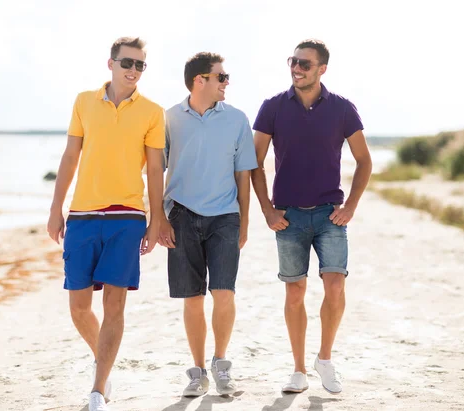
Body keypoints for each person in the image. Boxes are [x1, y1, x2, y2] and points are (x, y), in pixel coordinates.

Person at [46, 36, 166, 411]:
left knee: (115, 305)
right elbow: (69, 156)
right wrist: (55, 208)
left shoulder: (152, 111)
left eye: (140, 65)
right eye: (127, 63)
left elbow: (156, 170)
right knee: (79, 307)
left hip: (127, 218)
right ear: (110, 64)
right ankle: (106, 362)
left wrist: (156, 218)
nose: (133, 71)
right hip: (82, 216)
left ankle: (98, 389)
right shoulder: (84, 101)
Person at [251, 39, 372, 394]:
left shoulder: (342, 109)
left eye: (305, 63)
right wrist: (267, 210)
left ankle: (325, 359)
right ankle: (299, 369)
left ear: (322, 69)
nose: (297, 68)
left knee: (335, 287)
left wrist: (350, 206)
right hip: (287, 217)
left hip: (328, 215)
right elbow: (254, 162)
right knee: (295, 293)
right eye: (293, 61)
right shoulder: (272, 107)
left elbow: (364, 160)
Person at [159, 52, 257, 397]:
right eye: (221, 77)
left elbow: (243, 174)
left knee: (224, 292)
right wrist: (158, 217)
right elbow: (156, 171)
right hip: (182, 215)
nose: (226, 82)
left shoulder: (237, 119)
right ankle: (197, 371)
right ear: (200, 80)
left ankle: (220, 364)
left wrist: (244, 221)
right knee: (192, 298)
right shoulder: (169, 118)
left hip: (225, 216)